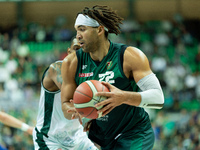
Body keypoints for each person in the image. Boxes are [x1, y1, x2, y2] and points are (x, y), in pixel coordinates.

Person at [61, 5, 164, 150]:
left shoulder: (130, 56)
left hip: (133, 132)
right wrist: (77, 108)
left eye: (82, 29)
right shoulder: (71, 62)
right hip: (98, 134)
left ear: (99, 29)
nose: (77, 35)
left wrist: (123, 97)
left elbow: (158, 98)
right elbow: (65, 104)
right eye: (77, 30)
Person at [32, 37, 98, 150]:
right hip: (50, 139)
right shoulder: (56, 69)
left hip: (78, 138)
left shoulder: (92, 71)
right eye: (77, 49)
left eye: (85, 49)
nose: (80, 53)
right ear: (69, 52)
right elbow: (73, 101)